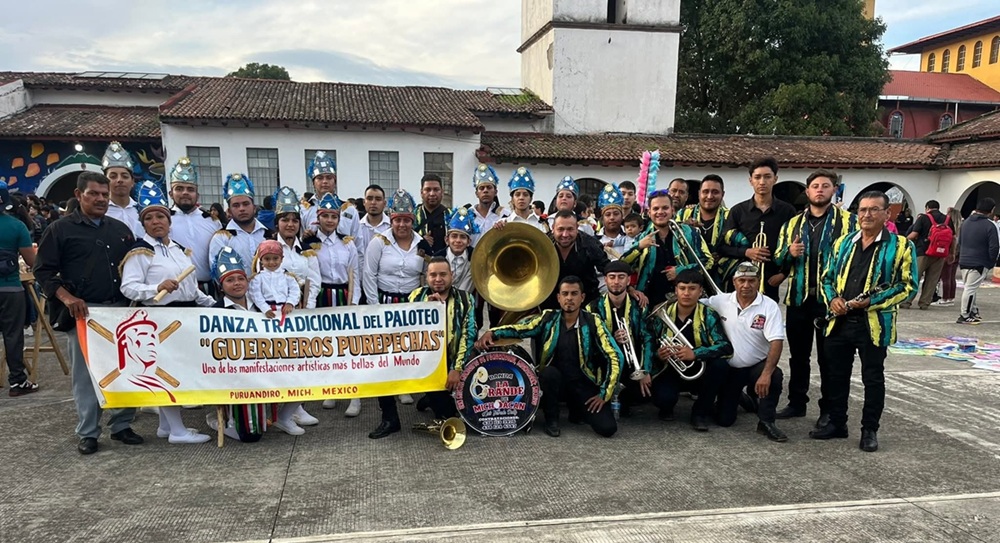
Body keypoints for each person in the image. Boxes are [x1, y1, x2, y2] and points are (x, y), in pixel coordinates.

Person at [34, 171, 141, 455]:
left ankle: (122, 425)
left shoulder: (120, 230)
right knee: (85, 375)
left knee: (124, 369)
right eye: (93, 193)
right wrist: (67, 298)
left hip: (120, 310)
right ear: (79, 195)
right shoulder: (60, 229)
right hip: (85, 312)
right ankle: (89, 431)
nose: (100, 199)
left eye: (104, 194)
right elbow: (43, 271)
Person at [812, 190, 918, 452]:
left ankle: (869, 429)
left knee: (872, 379)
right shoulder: (843, 243)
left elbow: (908, 286)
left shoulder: (902, 246)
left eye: (873, 209)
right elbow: (826, 278)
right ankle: (837, 423)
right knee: (836, 376)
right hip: (839, 322)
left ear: (887, 214)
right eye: (862, 209)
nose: (867, 214)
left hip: (873, 324)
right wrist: (833, 299)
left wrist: (872, 301)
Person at [119, 181, 215, 444]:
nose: (156, 222)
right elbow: (128, 287)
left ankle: (165, 426)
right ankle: (177, 431)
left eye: (160, 217)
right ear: (143, 224)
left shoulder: (179, 250)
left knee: (179, 369)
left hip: (185, 315)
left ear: (169, 221)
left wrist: (215, 305)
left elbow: (191, 288)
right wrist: (156, 288)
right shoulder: (141, 251)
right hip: (160, 317)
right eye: (149, 218)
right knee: (166, 372)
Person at [476, 276, 623, 438]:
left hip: (582, 383)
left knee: (608, 428)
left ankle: (577, 412)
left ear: (582, 297)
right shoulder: (548, 317)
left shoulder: (593, 321)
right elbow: (521, 328)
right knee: (548, 373)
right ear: (558, 298)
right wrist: (492, 332)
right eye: (565, 294)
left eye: (574, 294)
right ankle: (551, 420)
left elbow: (615, 356)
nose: (569, 298)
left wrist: (604, 393)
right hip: (556, 384)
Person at [772, 170, 858, 423]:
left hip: (830, 301)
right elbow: (777, 258)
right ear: (807, 191)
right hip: (799, 299)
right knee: (798, 357)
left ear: (834, 190)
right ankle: (797, 402)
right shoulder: (792, 224)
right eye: (815, 186)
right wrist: (789, 252)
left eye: (825, 186)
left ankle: (828, 409)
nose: (820, 190)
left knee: (828, 357)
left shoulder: (849, 223)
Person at [704, 262, 788, 442]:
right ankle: (741, 398)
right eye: (741, 280)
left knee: (774, 376)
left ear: (758, 281)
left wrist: (766, 374)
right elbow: (691, 303)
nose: (746, 285)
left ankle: (766, 422)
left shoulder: (769, 306)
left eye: (751, 281)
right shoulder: (720, 301)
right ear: (734, 282)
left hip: (755, 366)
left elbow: (776, 341)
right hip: (730, 369)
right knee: (724, 421)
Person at [365, 189, 425, 438]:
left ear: (413, 220)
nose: (402, 224)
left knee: (411, 354)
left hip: (412, 306)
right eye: (398, 219)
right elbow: (369, 275)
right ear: (391, 219)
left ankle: (419, 395)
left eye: (406, 220)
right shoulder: (378, 242)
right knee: (383, 360)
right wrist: (374, 308)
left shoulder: (422, 244)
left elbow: (426, 275)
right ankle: (389, 416)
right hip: (385, 302)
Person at [205, 247, 278, 443]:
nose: (237, 283)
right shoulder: (216, 311)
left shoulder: (262, 306)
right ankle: (219, 420)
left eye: (240, 279)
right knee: (249, 436)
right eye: (230, 280)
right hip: (234, 373)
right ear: (221, 286)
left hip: (263, 366)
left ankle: (282, 417)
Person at [651, 269, 733, 430]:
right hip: (669, 369)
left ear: (700, 291)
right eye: (682, 288)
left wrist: (695, 353)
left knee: (720, 366)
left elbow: (725, 346)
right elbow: (650, 342)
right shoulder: (663, 314)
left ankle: (700, 413)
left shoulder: (709, 314)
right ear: (676, 290)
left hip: (700, 369)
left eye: (692, 289)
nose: (686, 293)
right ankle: (666, 407)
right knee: (663, 399)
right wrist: (658, 354)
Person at [269, 187, 324, 425]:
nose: (290, 224)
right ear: (277, 223)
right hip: (276, 314)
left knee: (300, 362)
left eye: (294, 220)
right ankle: (279, 411)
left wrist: (307, 310)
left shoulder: (307, 252)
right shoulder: (268, 249)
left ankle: (296, 407)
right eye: (285, 220)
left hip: (300, 312)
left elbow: (315, 281)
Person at [718, 157, 797, 301]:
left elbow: (792, 247)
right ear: (751, 181)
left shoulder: (787, 211)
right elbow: (722, 247)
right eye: (757, 177)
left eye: (767, 177)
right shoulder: (737, 211)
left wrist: (783, 274)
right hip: (741, 279)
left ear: (775, 179)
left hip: (770, 280)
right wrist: (747, 252)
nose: (762, 182)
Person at [586, 261, 658, 418]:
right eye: (612, 277)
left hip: (632, 365)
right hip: (604, 364)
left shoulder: (639, 306)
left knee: (651, 396)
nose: (616, 281)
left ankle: (624, 397)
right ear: (605, 280)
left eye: (621, 277)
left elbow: (648, 339)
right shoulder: (592, 307)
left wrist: (645, 370)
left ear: (628, 280)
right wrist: (612, 340)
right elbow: (589, 343)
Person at [409, 257, 477, 420]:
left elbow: (468, 336)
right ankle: (432, 396)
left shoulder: (466, 299)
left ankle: (434, 397)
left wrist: (457, 369)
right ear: (426, 276)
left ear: (451, 275)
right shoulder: (416, 296)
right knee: (446, 415)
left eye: (443, 274)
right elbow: (411, 334)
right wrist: (427, 308)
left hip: (455, 358)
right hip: (427, 363)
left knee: (469, 409)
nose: (438, 279)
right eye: (433, 275)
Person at [620, 190, 713, 308]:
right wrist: (639, 247)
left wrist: (681, 271)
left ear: (672, 210)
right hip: (650, 304)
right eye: (656, 208)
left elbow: (708, 261)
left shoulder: (689, 232)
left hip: (686, 302)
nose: (660, 212)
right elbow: (622, 266)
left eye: (665, 208)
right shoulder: (641, 238)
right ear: (649, 212)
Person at [675, 175, 748, 290]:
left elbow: (743, 245)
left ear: (722, 194)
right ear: (699, 193)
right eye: (705, 192)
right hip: (687, 281)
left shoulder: (731, 217)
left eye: (715, 192)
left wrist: (723, 257)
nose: (709, 196)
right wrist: (686, 227)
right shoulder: (684, 215)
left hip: (722, 280)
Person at [0, 181, 38, 396]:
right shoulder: (16, 226)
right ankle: (17, 381)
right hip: (10, 288)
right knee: (13, 334)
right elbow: (32, 261)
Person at [167, 157, 220, 297]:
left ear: (197, 194)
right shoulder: (164, 220)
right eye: (179, 189)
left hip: (208, 289)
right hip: (176, 290)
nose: (185, 192)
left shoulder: (212, 221)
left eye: (190, 189)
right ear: (171, 193)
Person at [544, 210, 612, 310]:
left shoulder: (591, 245)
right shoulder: (542, 244)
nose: (565, 234)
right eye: (560, 229)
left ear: (577, 228)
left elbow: (608, 269)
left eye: (570, 229)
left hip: (586, 304)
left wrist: (629, 288)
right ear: (553, 228)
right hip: (549, 304)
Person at [208, 173, 272, 274]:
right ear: (229, 211)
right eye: (236, 205)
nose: (242, 209)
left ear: (254, 208)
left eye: (246, 204)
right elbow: (218, 272)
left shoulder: (269, 235)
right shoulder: (221, 238)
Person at [902, 199, 955, 310]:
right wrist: (951, 253)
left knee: (915, 277)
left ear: (927, 208)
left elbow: (914, 234)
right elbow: (953, 238)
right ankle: (924, 303)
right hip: (940, 254)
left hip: (923, 252)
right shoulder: (948, 219)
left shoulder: (923, 218)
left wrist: (902, 242)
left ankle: (906, 301)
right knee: (932, 279)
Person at [300, 151, 360, 241]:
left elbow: (358, 243)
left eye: (329, 178)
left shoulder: (349, 210)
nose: (325, 181)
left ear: (335, 182)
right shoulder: (304, 210)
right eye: (320, 178)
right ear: (313, 182)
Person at [957, 197, 999, 324]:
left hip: (964, 259)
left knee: (970, 287)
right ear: (991, 210)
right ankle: (965, 314)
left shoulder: (966, 222)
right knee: (970, 288)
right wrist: (992, 261)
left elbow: (960, 241)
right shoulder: (990, 225)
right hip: (980, 261)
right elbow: (994, 246)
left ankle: (973, 310)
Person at [100, 141, 144, 238]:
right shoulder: (100, 211)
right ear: (105, 181)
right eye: (113, 176)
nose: (119, 180)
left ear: (132, 182)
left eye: (125, 176)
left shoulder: (141, 210)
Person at [248, 240, 300, 319]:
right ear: (261, 260)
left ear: (281, 259)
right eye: (267, 259)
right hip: (266, 313)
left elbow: (295, 291)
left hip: (287, 311)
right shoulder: (257, 278)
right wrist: (265, 309)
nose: (271, 262)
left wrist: (290, 303)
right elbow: (256, 295)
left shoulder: (287, 276)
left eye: (275, 258)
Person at [496, 167, 547, 232]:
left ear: (531, 199)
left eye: (525, 195)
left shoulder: (542, 223)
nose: (521, 198)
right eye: (517, 194)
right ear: (512, 199)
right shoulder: (503, 224)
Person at [468, 164, 506, 247]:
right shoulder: (468, 215)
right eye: (481, 188)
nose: (485, 191)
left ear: (495, 192)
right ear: (476, 193)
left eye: (489, 187)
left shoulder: (505, 215)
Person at [414, 174, 453, 257]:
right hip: (419, 262)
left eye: (436, 189)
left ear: (442, 192)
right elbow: (403, 240)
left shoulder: (451, 216)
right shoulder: (413, 216)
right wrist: (421, 241)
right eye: (428, 190)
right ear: (421, 193)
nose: (432, 194)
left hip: (445, 262)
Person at [933, 207, 964, 307]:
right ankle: (951, 297)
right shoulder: (962, 227)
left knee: (945, 276)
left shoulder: (950, 228)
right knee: (951, 277)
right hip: (958, 253)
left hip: (949, 252)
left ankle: (945, 298)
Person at [444, 208, 477, 292]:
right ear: (447, 240)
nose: (458, 240)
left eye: (463, 237)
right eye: (454, 236)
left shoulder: (475, 259)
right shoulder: (437, 258)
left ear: (469, 242)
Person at [596, 183, 630, 257]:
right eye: (608, 214)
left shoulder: (631, 236)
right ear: (602, 218)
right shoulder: (595, 240)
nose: (612, 217)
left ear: (622, 216)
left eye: (616, 214)